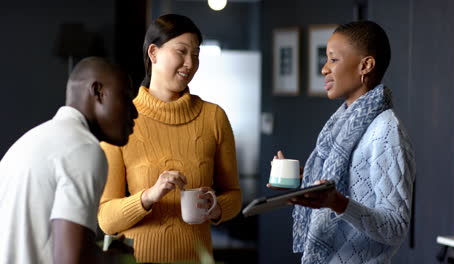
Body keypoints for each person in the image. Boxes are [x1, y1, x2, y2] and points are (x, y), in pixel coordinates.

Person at [97, 14, 242, 263]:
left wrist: (215, 207)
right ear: (153, 53)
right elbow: (107, 220)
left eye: (196, 55)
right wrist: (149, 196)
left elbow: (234, 196)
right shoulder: (120, 120)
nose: (190, 63)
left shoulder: (214, 117)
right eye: (181, 52)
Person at [269, 21, 416, 263]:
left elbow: (396, 227)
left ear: (365, 65)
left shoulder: (386, 130)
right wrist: (301, 178)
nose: (324, 69)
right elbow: (348, 181)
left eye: (333, 60)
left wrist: (337, 203)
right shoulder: (343, 123)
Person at [0, 57, 138, 263]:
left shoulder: (25, 143)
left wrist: (100, 254)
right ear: (98, 92)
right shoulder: (84, 148)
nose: (134, 113)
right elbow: (70, 259)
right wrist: (114, 260)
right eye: (126, 98)